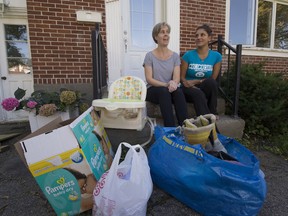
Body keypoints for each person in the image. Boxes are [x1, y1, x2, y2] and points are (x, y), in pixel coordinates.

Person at [143, 22, 188, 127]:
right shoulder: (149, 56)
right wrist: (166, 84)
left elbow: (176, 78)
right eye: (162, 32)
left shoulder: (175, 56)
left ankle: (186, 127)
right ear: (155, 36)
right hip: (153, 90)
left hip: (169, 89)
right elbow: (149, 79)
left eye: (167, 32)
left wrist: (173, 83)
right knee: (164, 92)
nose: (166, 34)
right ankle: (170, 129)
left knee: (178, 91)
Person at [180, 24, 222, 117]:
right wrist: (187, 83)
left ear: (209, 38)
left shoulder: (216, 56)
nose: (199, 37)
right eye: (196, 35)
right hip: (188, 88)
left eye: (202, 35)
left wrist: (196, 81)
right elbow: (181, 78)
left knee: (212, 83)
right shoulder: (188, 55)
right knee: (197, 93)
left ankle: (212, 111)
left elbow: (212, 78)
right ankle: (207, 119)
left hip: (203, 87)